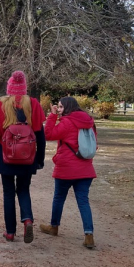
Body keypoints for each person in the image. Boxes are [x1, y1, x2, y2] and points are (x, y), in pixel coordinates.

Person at [0, 71, 46, 243]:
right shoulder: (33, 104)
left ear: (9, 88)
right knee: (24, 190)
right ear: (24, 88)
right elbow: (40, 136)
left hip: (7, 156)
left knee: (8, 193)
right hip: (28, 156)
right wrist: (39, 159)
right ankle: (27, 220)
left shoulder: (0, 105)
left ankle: (10, 232)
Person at [40, 96, 97, 249]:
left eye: (60, 107)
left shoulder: (67, 122)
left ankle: (54, 227)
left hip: (66, 167)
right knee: (83, 201)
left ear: (67, 107)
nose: (58, 110)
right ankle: (89, 235)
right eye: (57, 108)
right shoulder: (89, 122)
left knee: (59, 197)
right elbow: (93, 144)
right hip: (85, 168)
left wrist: (52, 116)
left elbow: (49, 134)